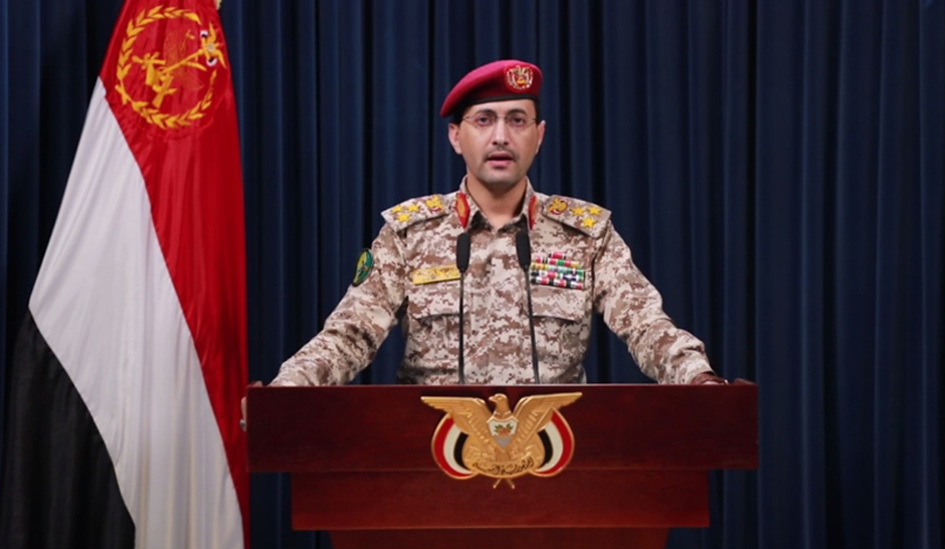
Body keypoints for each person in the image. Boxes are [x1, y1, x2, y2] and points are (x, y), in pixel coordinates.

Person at [245, 59, 722, 417]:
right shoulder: (409, 234)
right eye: (484, 120)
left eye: (517, 120)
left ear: (539, 135)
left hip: (558, 456)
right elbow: (350, 335)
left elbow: (647, 327)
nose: (500, 137)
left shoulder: (586, 234)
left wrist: (698, 379)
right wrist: (288, 391)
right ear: (456, 137)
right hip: (430, 457)